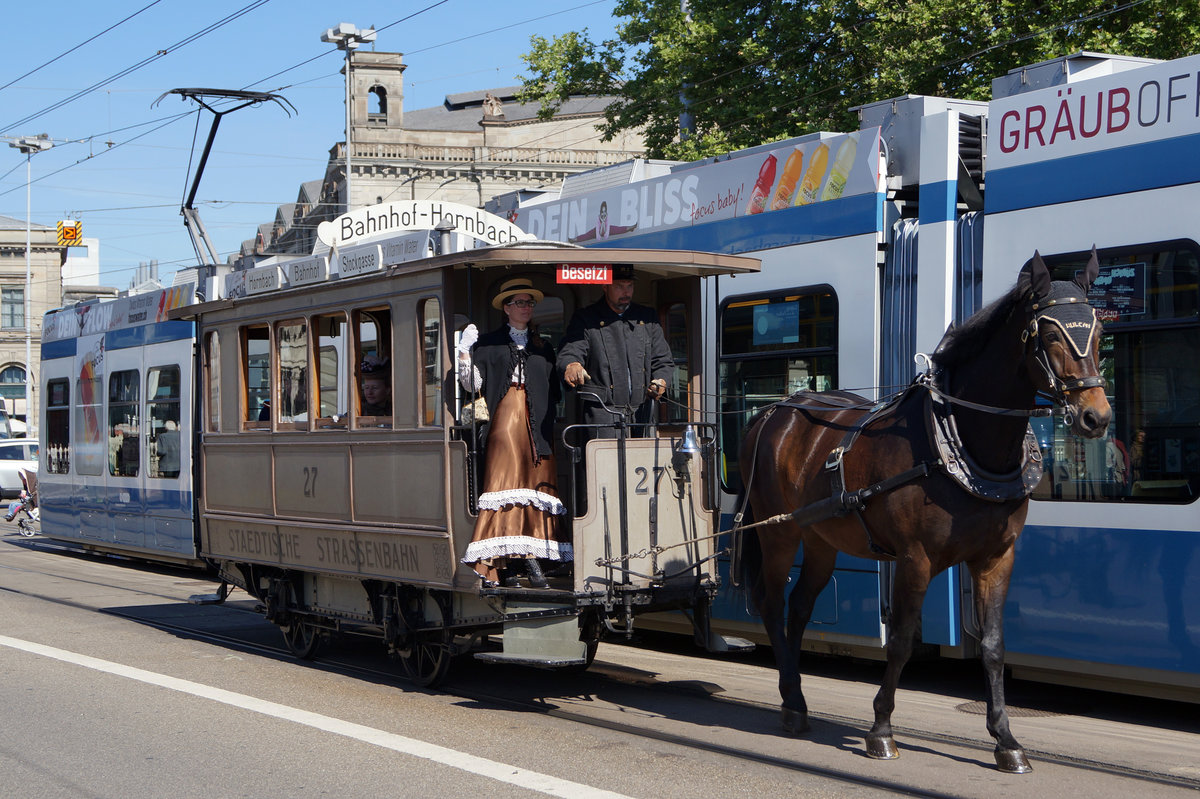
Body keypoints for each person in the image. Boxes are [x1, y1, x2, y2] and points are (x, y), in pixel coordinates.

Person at [457, 278, 570, 588]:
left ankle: (533, 560)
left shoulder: (543, 346)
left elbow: (554, 392)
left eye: (529, 303)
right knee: (506, 486)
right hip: (505, 417)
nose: (526, 308)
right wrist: (465, 354)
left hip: (538, 425)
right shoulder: (490, 343)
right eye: (520, 303)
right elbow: (473, 388)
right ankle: (505, 564)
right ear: (506, 308)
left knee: (537, 486)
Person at [557, 264, 673, 437]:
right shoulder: (586, 318)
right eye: (619, 286)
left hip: (642, 416)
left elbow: (663, 360)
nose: (626, 292)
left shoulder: (647, 318)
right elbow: (571, 350)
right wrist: (572, 365)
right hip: (602, 418)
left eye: (629, 286)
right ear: (605, 286)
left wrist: (662, 380)